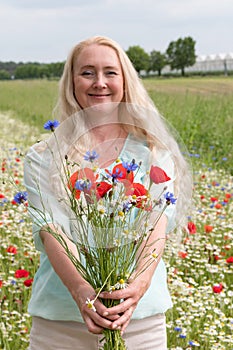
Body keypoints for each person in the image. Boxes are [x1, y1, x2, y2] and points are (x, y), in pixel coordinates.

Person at [24, 36, 192, 350]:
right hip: (60, 326)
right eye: (87, 72)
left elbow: (157, 227)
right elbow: (50, 229)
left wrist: (138, 289)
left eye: (110, 73)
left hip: (139, 321)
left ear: (125, 80)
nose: (99, 82)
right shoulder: (44, 157)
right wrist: (81, 291)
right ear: (71, 82)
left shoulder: (154, 152)